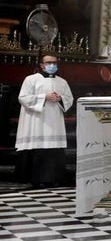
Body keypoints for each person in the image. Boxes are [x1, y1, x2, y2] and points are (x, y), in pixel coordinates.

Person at [16, 53, 74, 188]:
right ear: (42, 65)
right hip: (37, 121)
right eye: (48, 63)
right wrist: (44, 97)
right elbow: (23, 97)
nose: (52, 65)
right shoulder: (31, 79)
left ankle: (54, 177)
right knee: (39, 149)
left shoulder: (62, 82)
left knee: (54, 149)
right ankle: (36, 179)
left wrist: (60, 99)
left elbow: (69, 98)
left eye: (54, 62)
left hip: (54, 121)